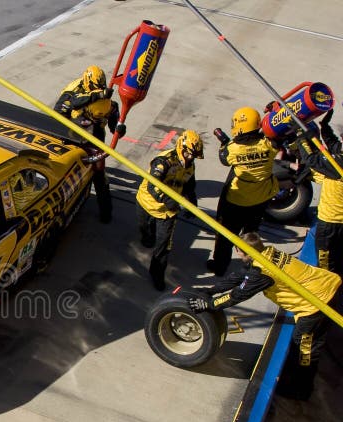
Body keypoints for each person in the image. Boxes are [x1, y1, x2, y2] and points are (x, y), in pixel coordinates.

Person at [189, 232, 342, 399]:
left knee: (304, 347)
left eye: (238, 251)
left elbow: (238, 295)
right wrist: (210, 291)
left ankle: (301, 389)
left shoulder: (263, 272)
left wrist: (210, 304)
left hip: (317, 303)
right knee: (303, 343)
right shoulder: (266, 253)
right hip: (324, 284)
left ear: (242, 251)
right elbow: (239, 277)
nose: (238, 254)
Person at [207, 107, 279, 276]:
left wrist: (224, 143)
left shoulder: (233, 149)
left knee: (225, 236)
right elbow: (278, 135)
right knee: (251, 234)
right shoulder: (269, 144)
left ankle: (220, 266)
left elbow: (224, 158)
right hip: (261, 199)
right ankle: (250, 264)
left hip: (235, 202)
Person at [54, 65, 126, 223]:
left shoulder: (110, 105)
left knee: (99, 174)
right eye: (95, 116)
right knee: (64, 168)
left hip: (96, 136)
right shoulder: (74, 93)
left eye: (102, 116)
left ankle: (106, 211)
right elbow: (59, 111)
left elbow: (114, 129)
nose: (99, 118)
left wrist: (120, 129)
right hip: (73, 130)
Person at [136, 129, 204, 290]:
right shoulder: (163, 161)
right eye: (189, 154)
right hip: (146, 202)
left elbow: (189, 185)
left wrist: (192, 204)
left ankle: (157, 274)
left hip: (167, 213)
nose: (191, 158)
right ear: (181, 147)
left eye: (194, 156)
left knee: (164, 245)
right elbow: (153, 185)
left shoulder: (190, 166)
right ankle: (147, 236)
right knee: (145, 230)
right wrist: (169, 201)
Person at [295, 109, 343, 276]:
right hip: (338, 223)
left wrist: (301, 138)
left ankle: (330, 297)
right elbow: (335, 146)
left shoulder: (338, 165)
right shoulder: (339, 161)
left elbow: (312, 160)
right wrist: (325, 127)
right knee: (338, 260)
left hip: (330, 224)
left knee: (325, 266)